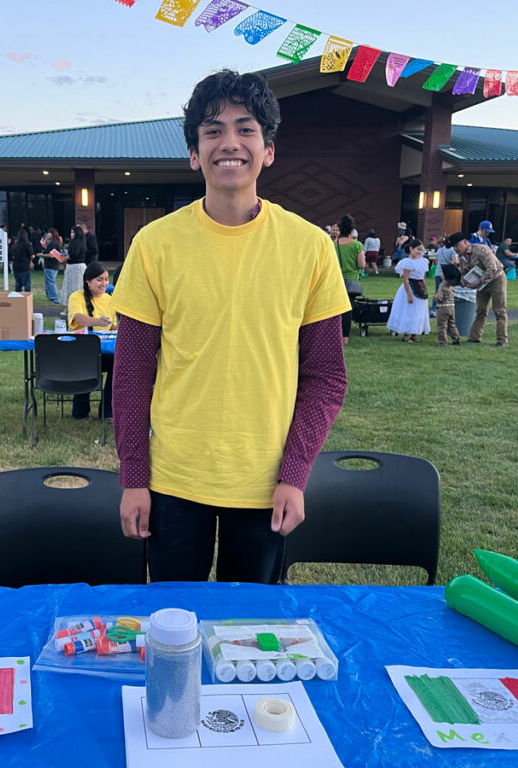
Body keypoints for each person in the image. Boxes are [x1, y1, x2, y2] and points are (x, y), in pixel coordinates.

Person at [110, 69, 350, 585]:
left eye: (246, 128)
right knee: (177, 628)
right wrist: (135, 478)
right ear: (195, 153)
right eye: (212, 130)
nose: (230, 143)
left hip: (266, 486)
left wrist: (295, 474)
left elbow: (326, 376)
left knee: (251, 639)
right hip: (174, 481)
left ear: (268, 150)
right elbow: (130, 374)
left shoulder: (310, 247)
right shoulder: (155, 244)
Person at [67, 262, 117, 420]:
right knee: (85, 363)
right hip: (81, 352)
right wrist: (97, 321)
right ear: (88, 281)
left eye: (106, 279)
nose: (104, 283)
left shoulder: (109, 299)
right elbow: (77, 318)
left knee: (118, 362)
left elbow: (113, 327)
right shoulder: (77, 296)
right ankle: (80, 411)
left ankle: (108, 411)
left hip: (103, 352)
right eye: (99, 280)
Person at [446, 232, 509, 346]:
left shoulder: (482, 250)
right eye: (453, 247)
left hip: (496, 280)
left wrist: (477, 283)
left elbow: (492, 269)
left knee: (499, 310)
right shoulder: (461, 257)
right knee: (480, 310)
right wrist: (462, 282)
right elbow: (466, 273)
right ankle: (474, 337)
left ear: (465, 242)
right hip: (481, 284)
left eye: (457, 245)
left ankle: (502, 339)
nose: (455, 249)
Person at [386, 237, 430, 342]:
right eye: (417, 249)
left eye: (421, 249)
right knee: (409, 311)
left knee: (418, 311)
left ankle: (415, 333)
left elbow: (422, 277)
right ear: (411, 249)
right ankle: (406, 333)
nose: (420, 252)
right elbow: (405, 280)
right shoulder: (407, 262)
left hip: (419, 287)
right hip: (410, 287)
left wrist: (425, 287)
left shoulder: (423, 261)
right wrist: (409, 295)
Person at [334, 214, 365, 344]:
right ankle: (345, 337)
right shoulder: (357, 245)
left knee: (335, 309)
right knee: (347, 309)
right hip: (351, 280)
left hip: (336, 279)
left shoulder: (334, 244)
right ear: (352, 230)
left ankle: (334, 334)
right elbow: (361, 265)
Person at [434, 264, 461, 346]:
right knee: (451, 324)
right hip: (451, 306)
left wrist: (435, 297)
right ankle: (456, 338)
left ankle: (442, 342)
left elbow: (439, 297)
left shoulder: (442, 285)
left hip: (443, 307)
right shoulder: (452, 285)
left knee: (442, 325)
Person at [60, 225, 86, 306]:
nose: (71, 234)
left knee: (74, 287)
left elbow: (74, 254)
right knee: (71, 287)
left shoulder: (77, 242)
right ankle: (69, 306)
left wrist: (65, 258)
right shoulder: (78, 242)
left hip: (75, 267)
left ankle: (73, 305)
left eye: (72, 232)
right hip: (73, 267)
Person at [41, 228, 64, 304]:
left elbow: (51, 255)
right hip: (54, 265)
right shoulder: (56, 243)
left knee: (50, 282)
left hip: (50, 265)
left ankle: (55, 298)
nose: (47, 234)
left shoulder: (53, 243)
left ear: (52, 234)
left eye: (49, 233)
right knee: (49, 281)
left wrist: (41, 255)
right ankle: (51, 296)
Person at [9, 229, 34, 293]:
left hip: (16, 266)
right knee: (26, 284)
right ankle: (27, 298)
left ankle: (17, 298)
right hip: (25, 266)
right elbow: (32, 255)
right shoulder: (27, 244)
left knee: (18, 283)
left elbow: (11, 253)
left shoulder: (15, 245)